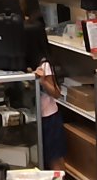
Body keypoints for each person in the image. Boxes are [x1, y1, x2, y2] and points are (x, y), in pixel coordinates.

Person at [25, 22, 66, 170]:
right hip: (37, 117)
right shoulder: (28, 63)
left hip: (50, 119)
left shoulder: (45, 64)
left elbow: (56, 93)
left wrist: (43, 81)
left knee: (54, 158)